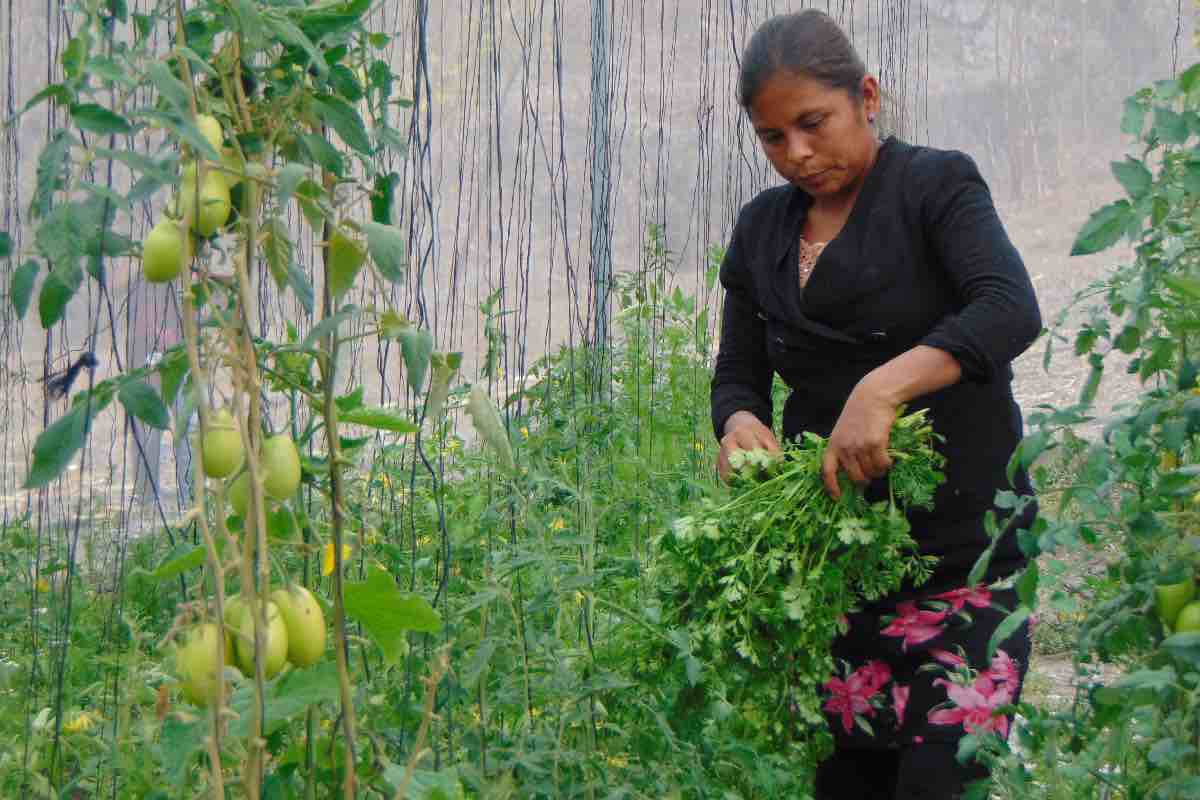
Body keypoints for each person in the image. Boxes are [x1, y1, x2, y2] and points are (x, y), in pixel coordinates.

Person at [710, 10, 1041, 800]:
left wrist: (881, 388)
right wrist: (738, 423)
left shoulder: (934, 186)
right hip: (842, 569)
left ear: (866, 95)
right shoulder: (761, 230)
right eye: (772, 136)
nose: (796, 154)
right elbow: (738, 374)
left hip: (965, 563)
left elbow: (1008, 306)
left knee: (939, 785)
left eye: (813, 123)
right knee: (849, 784)